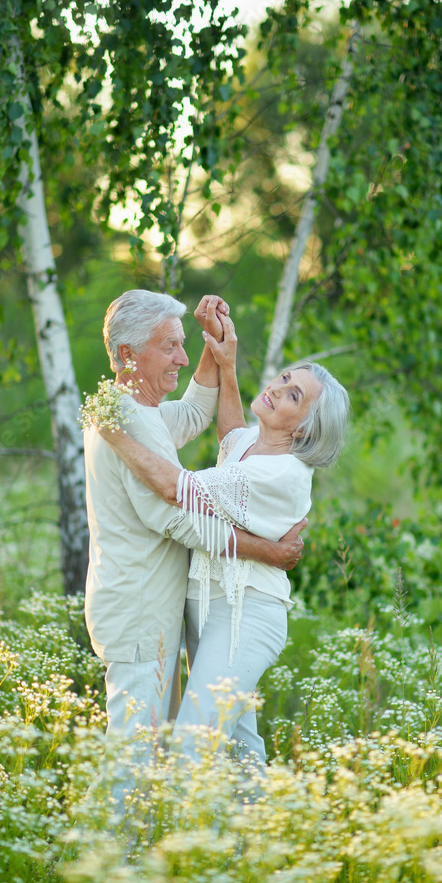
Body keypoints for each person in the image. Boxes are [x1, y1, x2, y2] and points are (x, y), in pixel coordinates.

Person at [98, 309, 349, 764]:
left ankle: (196, 834)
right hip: (211, 609)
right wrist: (226, 364)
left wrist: (114, 435)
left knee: (195, 745)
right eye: (284, 377)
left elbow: (178, 489)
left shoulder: (283, 474)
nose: (275, 387)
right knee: (238, 753)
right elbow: (231, 434)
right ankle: (261, 832)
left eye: (292, 394)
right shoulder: (253, 443)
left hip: (245, 617)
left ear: (305, 428)